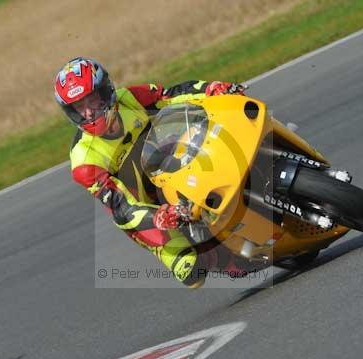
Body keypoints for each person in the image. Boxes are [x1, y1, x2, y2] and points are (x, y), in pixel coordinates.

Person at [54, 57, 249, 288]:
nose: (87, 113)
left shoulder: (129, 99)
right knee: (193, 271)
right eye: (79, 107)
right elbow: (121, 208)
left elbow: (171, 95)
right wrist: (156, 216)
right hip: (149, 214)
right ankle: (224, 258)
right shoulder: (84, 161)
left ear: (106, 91)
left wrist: (212, 89)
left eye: (92, 100)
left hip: (173, 170)